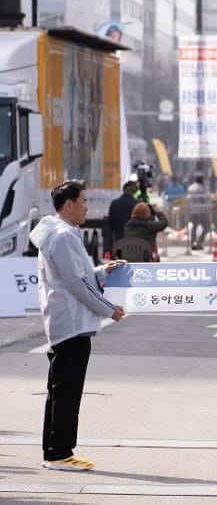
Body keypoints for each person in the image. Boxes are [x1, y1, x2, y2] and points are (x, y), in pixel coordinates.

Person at [28, 179, 126, 471]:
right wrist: (109, 309)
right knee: (67, 391)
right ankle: (60, 452)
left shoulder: (61, 233)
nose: (87, 206)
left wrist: (101, 271)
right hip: (71, 323)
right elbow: (75, 283)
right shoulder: (64, 236)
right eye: (83, 201)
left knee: (60, 390)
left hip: (66, 322)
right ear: (68, 204)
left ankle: (54, 450)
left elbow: (77, 275)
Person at [104, 180, 139, 259]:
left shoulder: (115, 203)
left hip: (118, 242)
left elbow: (110, 223)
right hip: (135, 244)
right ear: (134, 191)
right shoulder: (137, 204)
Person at [186, 175, 211, 251]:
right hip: (201, 211)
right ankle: (199, 242)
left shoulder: (190, 188)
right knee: (207, 226)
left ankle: (193, 243)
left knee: (194, 227)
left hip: (193, 211)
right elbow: (204, 199)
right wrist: (208, 206)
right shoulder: (201, 188)